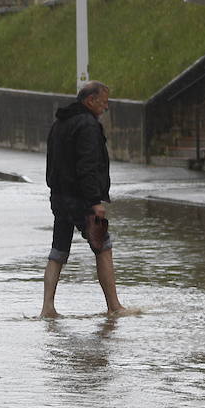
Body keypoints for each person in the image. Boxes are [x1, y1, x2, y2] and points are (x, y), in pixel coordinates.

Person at [41, 80, 133, 318]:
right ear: (90, 100)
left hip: (59, 199)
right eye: (104, 103)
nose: (106, 108)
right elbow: (87, 166)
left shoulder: (59, 123)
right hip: (82, 200)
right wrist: (95, 202)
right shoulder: (88, 126)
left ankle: (47, 308)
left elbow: (51, 162)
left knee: (58, 251)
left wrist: (55, 192)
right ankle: (114, 306)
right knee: (104, 247)